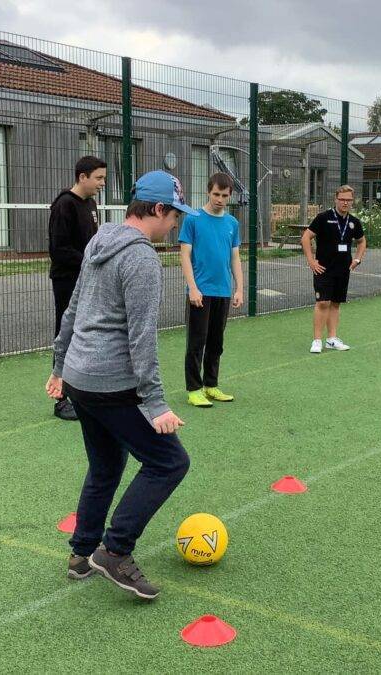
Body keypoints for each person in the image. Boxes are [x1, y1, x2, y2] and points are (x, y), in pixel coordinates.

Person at [46, 170, 197, 600]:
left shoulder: (99, 239)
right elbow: (141, 338)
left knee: (106, 465)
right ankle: (115, 550)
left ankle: (81, 553)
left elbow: (74, 307)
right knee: (169, 462)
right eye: (173, 215)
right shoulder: (142, 258)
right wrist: (156, 404)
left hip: (79, 377)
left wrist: (60, 366)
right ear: (155, 209)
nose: (175, 225)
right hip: (110, 383)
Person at [49, 155, 107, 421]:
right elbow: (59, 251)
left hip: (87, 279)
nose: (102, 183)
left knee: (87, 334)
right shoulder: (64, 205)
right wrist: (89, 261)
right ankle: (61, 400)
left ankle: (83, 393)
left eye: (104, 178)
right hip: (67, 281)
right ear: (82, 177)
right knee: (66, 335)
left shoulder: (91, 204)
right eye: (98, 178)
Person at [178, 172, 243, 408]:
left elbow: (235, 257)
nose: (220, 199)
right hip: (200, 293)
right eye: (216, 194)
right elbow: (184, 255)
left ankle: (211, 385)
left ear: (230, 196)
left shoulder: (232, 223)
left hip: (223, 292)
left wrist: (239, 289)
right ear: (208, 191)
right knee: (197, 341)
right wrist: (193, 288)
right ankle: (194, 389)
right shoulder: (193, 219)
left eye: (224, 195)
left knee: (216, 342)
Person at [302, 185, 367, 353]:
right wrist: (311, 261)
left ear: (352, 201)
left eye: (349, 200)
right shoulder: (323, 218)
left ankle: (331, 338)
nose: (345, 203)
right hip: (323, 269)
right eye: (342, 199)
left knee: (335, 304)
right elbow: (306, 238)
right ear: (336, 199)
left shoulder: (354, 222)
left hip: (343, 270)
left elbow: (362, 241)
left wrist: (358, 259)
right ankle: (317, 340)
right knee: (323, 302)